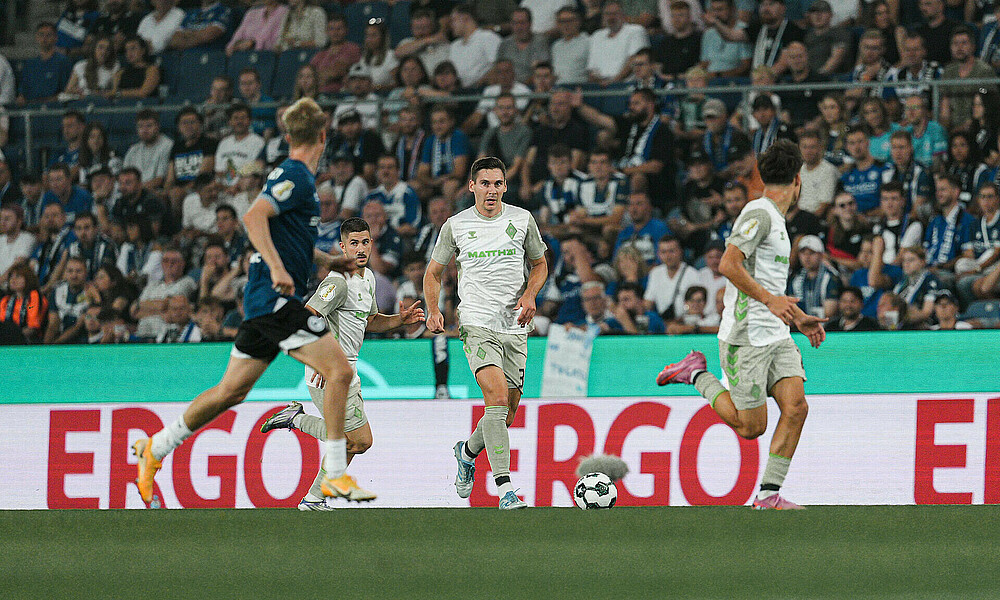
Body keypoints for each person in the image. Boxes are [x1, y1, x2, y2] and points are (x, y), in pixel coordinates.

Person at [133, 97, 364, 508]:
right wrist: (277, 270)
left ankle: (155, 449)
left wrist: (329, 260)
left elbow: (287, 234)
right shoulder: (296, 175)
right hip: (274, 297)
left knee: (230, 392)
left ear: (290, 136)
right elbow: (254, 217)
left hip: (263, 300)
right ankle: (333, 475)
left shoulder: (296, 177)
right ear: (324, 136)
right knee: (339, 371)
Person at [656, 139, 826, 510]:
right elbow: (728, 265)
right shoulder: (759, 213)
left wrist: (799, 319)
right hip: (746, 335)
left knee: (796, 407)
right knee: (752, 427)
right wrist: (771, 302)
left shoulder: (777, 222)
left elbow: (770, 285)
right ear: (799, 180)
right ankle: (696, 374)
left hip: (776, 334)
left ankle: (768, 495)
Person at [259, 217, 425, 509]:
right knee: (359, 440)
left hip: (348, 370)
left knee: (353, 442)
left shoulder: (368, 278)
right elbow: (307, 315)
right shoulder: (337, 282)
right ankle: (296, 420)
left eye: (364, 242)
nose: (360, 249)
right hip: (329, 372)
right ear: (342, 247)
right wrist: (322, 359)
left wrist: (400, 320)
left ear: (371, 244)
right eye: (353, 243)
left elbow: (371, 321)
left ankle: (314, 498)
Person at [424, 156, 548, 510]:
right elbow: (433, 273)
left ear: (505, 187)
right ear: (472, 187)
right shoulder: (456, 225)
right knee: (494, 400)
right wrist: (434, 309)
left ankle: (466, 452)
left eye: (498, 183)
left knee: (505, 414)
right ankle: (505, 490)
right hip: (476, 323)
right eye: (485, 183)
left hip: (515, 326)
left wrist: (530, 294)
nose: (491, 190)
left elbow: (539, 264)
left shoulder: (522, 220)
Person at [586, 1, 650, 85]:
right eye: (607, 14)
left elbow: (634, 61)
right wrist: (600, 83)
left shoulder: (635, 31)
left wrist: (613, 83)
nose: (611, 17)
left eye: (615, 13)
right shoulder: (596, 36)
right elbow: (591, 70)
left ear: (623, 15)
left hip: (626, 85)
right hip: (599, 87)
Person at [16, 23, 73, 105]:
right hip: (30, 107)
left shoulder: (63, 62)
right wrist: (21, 97)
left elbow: (66, 90)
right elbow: (23, 88)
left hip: (54, 107)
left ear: (56, 38)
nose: (44, 38)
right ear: (36, 37)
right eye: (41, 35)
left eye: (48, 35)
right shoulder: (30, 63)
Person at [788, 234, 840, 319]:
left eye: (811, 253)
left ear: (821, 255)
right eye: (803, 253)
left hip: (827, 327)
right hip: (801, 326)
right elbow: (791, 308)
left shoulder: (831, 277)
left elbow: (830, 312)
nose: (807, 257)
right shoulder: (795, 279)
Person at [123, 109, 173, 191]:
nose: (144, 130)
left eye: (149, 126)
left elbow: (160, 179)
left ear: (157, 127)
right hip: (134, 191)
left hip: (155, 191)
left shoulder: (168, 145)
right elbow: (124, 176)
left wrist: (136, 189)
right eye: (141, 126)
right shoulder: (133, 150)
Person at [310, 14, 361, 95]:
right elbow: (310, 76)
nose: (335, 32)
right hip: (319, 95)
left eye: (339, 29)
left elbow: (337, 72)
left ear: (346, 30)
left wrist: (321, 76)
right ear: (326, 31)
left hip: (340, 95)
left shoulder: (352, 48)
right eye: (331, 29)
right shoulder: (319, 55)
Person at [168, 0, 234, 51]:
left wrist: (185, 37)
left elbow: (208, 35)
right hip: (186, 60)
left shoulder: (223, 10)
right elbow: (174, 40)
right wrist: (198, 35)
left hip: (211, 59)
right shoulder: (189, 14)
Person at [551, 7, 591, 85]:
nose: (566, 24)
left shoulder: (588, 41)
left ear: (578, 22)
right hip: (558, 89)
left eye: (569, 21)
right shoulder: (556, 46)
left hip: (580, 87)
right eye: (562, 21)